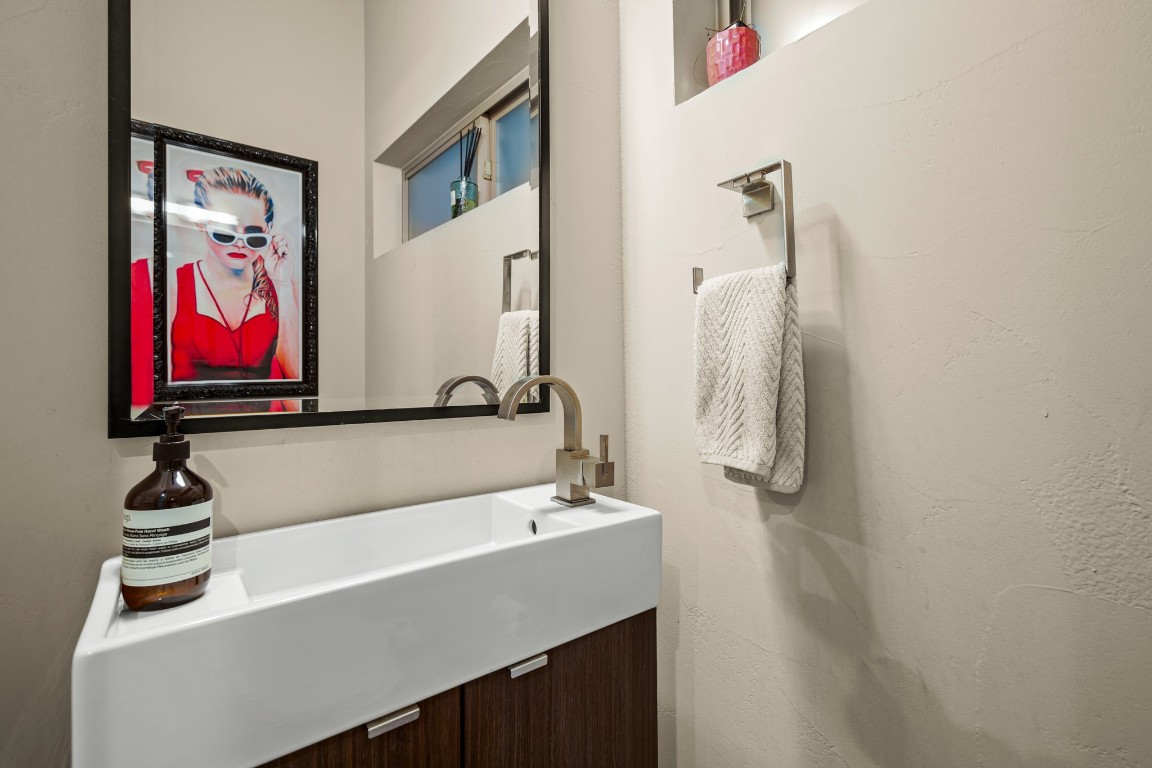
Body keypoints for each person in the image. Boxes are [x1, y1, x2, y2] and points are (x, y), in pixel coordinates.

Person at [169, 167, 300, 383]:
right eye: (225, 231)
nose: (239, 243)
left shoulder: (279, 285)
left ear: (267, 230)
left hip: (262, 416)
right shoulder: (174, 284)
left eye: (252, 234)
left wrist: (282, 283)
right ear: (202, 224)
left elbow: (295, 375)